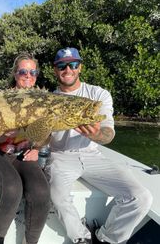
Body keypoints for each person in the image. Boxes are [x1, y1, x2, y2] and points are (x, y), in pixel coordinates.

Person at [47, 47, 153, 244]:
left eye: (73, 64)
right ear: (55, 69)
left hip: (92, 155)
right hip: (60, 156)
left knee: (141, 197)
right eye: (62, 65)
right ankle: (82, 237)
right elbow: (41, 139)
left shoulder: (98, 94)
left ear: (80, 67)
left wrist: (97, 135)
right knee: (57, 196)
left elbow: (108, 133)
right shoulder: (48, 100)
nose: (68, 69)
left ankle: (105, 239)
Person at [0, 53, 50, 244]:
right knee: (11, 189)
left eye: (33, 72)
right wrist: (5, 134)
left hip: (23, 156)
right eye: (23, 71)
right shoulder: (1, 99)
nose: (28, 75)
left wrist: (37, 148)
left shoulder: (42, 100)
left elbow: (45, 135)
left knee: (42, 192)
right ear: (14, 73)